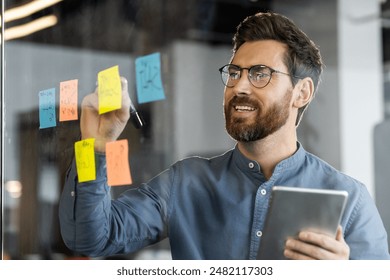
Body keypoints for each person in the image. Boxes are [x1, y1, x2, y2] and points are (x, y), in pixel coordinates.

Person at [59, 12, 390, 260]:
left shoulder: (350, 200)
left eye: (260, 74)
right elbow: (90, 239)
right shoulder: (185, 183)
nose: (240, 87)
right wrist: (95, 147)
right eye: (234, 73)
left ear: (302, 92)